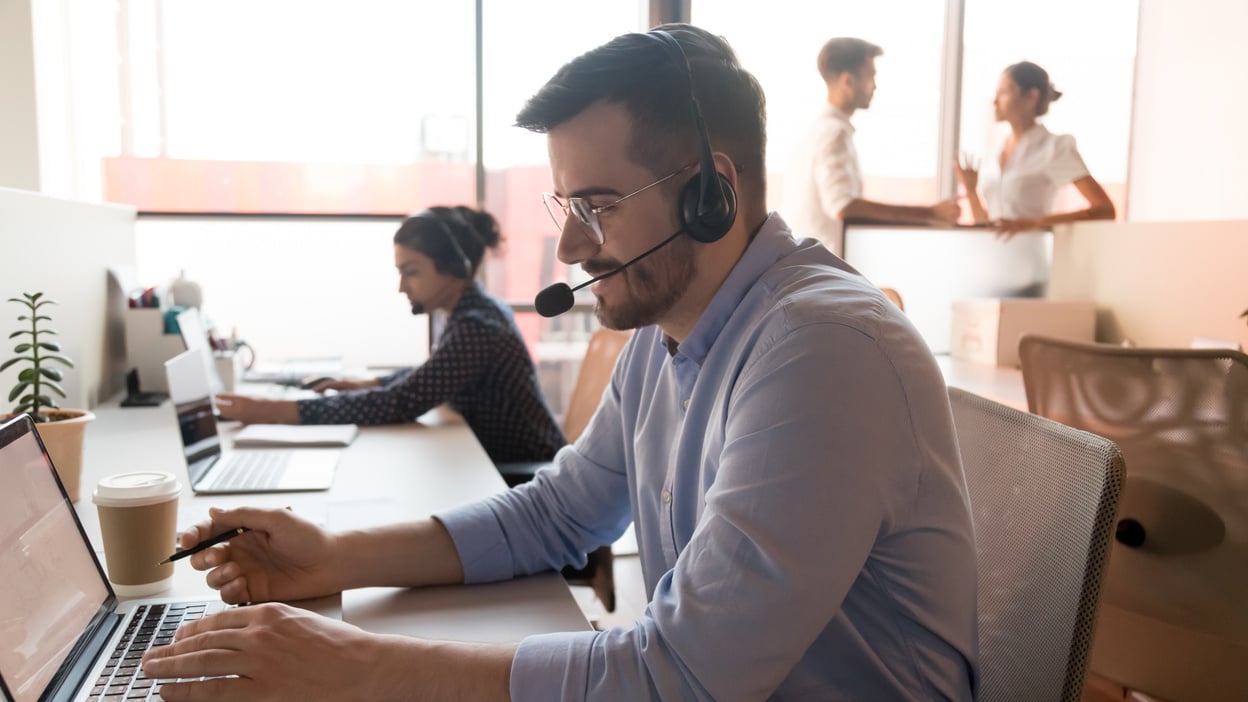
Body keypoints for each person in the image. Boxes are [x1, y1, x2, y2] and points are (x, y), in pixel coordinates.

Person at [143, 25, 978, 701]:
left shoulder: (822, 352)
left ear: (710, 193)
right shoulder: (666, 341)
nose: (573, 245)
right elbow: (557, 515)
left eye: (597, 205)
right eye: (566, 204)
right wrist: (337, 557)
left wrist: (357, 667)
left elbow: (682, 676)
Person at [214, 205, 565, 465]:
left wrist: (276, 412)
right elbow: (433, 373)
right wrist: (371, 383)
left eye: (411, 272)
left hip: (527, 475)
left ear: (454, 268)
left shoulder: (477, 326)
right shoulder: (464, 312)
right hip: (496, 463)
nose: (401, 287)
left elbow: (403, 402)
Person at [785, 37, 960, 255]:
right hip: (823, 268)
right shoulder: (833, 133)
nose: (875, 85)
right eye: (870, 76)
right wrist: (930, 213)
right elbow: (844, 206)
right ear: (847, 81)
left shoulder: (815, 131)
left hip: (815, 266)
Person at [956, 61, 1116, 239]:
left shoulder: (1055, 148)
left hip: (1031, 258)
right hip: (992, 259)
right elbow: (989, 227)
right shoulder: (996, 153)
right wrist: (971, 192)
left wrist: (1033, 223)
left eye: (1003, 92)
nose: (994, 101)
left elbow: (1105, 210)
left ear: (1031, 96)